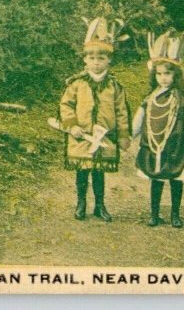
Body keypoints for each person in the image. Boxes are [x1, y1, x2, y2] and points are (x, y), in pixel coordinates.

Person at [59, 18, 131, 222]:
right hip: (81, 137)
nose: (96, 62)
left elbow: (122, 112)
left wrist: (123, 135)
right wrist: (72, 125)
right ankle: (81, 204)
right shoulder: (77, 84)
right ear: (85, 60)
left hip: (104, 138)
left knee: (99, 172)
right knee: (82, 171)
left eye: (101, 58)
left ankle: (100, 205)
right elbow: (66, 105)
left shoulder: (114, 86)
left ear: (109, 60)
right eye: (91, 58)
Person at [133, 30, 184, 228]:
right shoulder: (150, 98)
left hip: (176, 146)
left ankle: (175, 214)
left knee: (176, 179)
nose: (163, 78)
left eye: (167, 74)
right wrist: (128, 136)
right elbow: (139, 119)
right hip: (154, 147)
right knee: (156, 179)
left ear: (175, 74)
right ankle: (154, 214)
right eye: (159, 74)